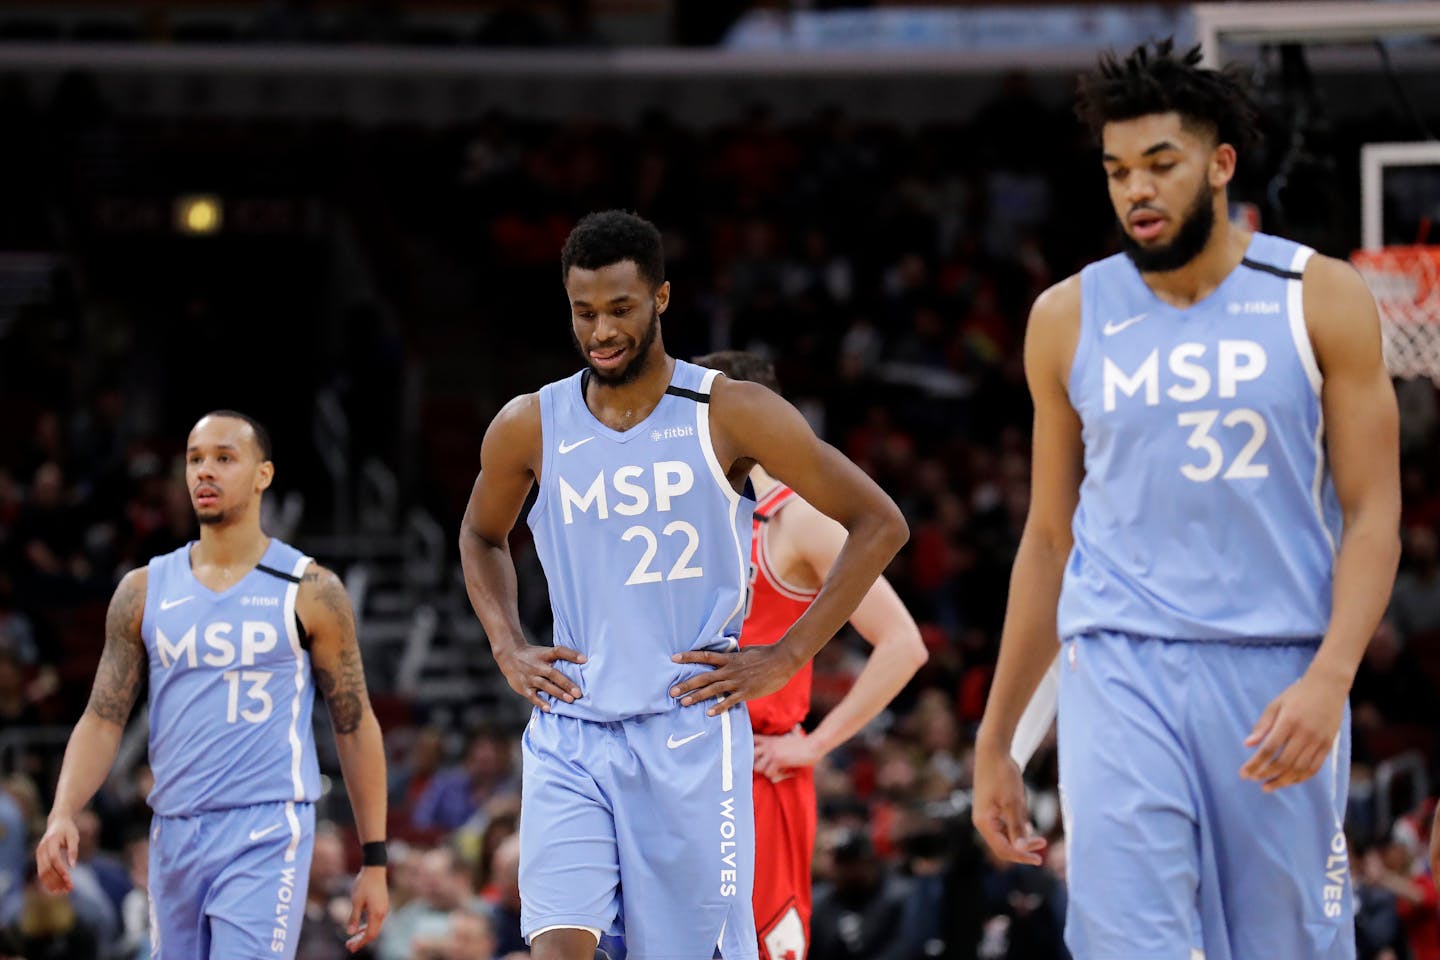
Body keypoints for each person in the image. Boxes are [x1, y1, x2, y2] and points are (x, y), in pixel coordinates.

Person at [971, 39, 1400, 960]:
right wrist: (998, 737)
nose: (1138, 190)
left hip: (1278, 670)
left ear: (1220, 164)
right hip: (1120, 669)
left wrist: (1331, 677)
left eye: (1160, 164)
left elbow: (1374, 517)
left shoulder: (1319, 296)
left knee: (1287, 945)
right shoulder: (1067, 316)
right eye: (1118, 170)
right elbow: (1048, 540)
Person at [458, 210, 908, 960]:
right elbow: (479, 534)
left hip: (687, 733)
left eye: (620, 309)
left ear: (661, 299)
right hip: (573, 731)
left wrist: (787, 656)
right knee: (558, 947)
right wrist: (507, 645)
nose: (600, 330)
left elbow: (879, 521)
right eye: (584, 312)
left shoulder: (730, 411)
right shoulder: (529, 423)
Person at [34, 411, 392, 958]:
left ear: (262, 475)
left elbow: (355, 724)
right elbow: (103, 717)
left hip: (266, 828)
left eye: (224, 458)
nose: (205, 471)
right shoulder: (143, 589)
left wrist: (375, 859)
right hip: (173, 828)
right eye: (195, 459)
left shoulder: (311, 588)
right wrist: (62, 812)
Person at [693, 349, 929, 960]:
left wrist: (815, 744)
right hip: (683, 764)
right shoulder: (693, 515)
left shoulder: (798, 519)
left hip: (760, 766)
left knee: (769, 945)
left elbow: (903, 645)